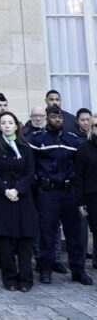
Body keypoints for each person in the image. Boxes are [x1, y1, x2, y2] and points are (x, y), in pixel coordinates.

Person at [28, 105, 92, 285]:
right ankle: (46, 269)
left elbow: (79, 167)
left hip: (69, 191)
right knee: (47, 233)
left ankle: (78, 271)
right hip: (47, 192)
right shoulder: (37, 139)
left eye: (60, 117)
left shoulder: (72, 140)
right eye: (53, 117)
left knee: (75, 233)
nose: (57, 120)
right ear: (47, 118)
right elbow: (31, 167)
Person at [0, 112, 37, 292]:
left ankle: (25, 279)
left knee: (25, 242)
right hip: (3, 198)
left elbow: (30, 172)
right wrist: (6, 190)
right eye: (3, 123)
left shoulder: (25, 147)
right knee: (6, 243)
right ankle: (9, 279)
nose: (7, 125)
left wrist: (18, 190)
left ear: (16, 126)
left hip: (23, 198)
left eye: (10, 122)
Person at [74, 112, 97, 270]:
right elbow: (79, 176)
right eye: (96, 126)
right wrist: (81, 201)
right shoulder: (84, 148)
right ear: (91, 128)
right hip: (92, 194)